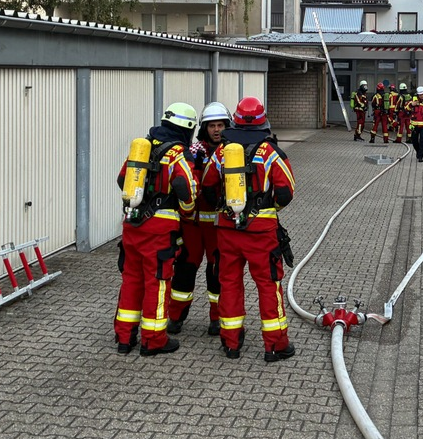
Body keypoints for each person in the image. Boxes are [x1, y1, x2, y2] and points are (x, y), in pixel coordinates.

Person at [201, 97, 297, 362]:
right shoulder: (270, 152)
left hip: (227, 232)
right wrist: (267, 208)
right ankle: (275, 346)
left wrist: (226, 207)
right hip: (261, 233)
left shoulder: (222, 151)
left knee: (229, 283)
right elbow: (286, 192)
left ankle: (231, 343)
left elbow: (207, 185)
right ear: (262, 121)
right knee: (268, 285)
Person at [114, 102, 198, 357]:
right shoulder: (177, 154)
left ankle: (124, 338)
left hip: (132, 225)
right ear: (187, 129)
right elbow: (185, 186)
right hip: (159, 231)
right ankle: (153, 340)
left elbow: (122, 180)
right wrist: (187, 209)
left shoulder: (142, 148)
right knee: (157, 282)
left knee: (131, 280)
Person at [168, 101, 230, 336]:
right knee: (185, 269)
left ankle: (217, 318)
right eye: (212, 125)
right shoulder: (192, 151)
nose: (217, 130)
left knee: (218, 272)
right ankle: (175, 317)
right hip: (192, 224)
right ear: (204, 128)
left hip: (218, 224)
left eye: (221, 125)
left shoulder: (233, 152)